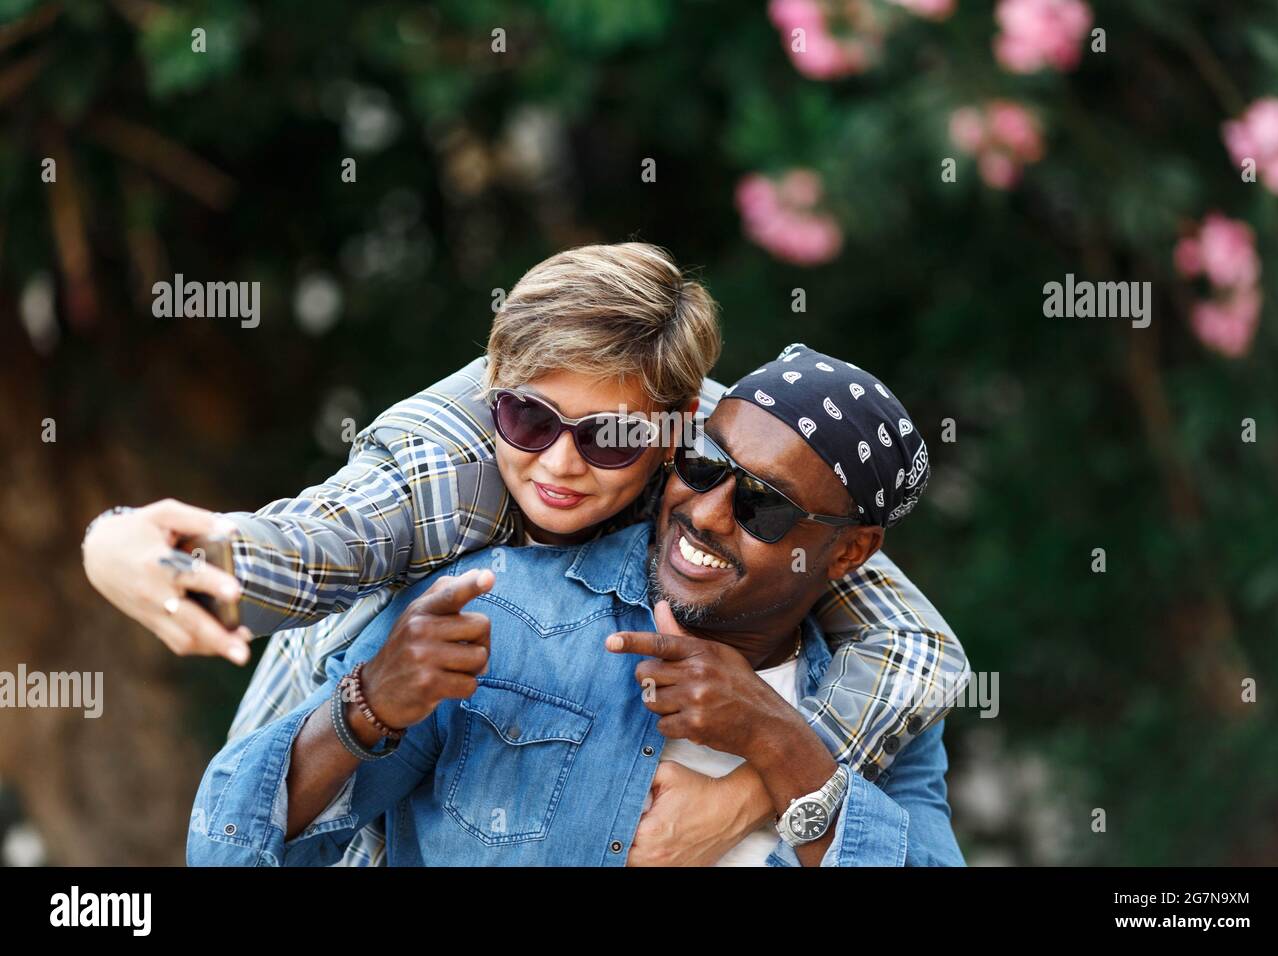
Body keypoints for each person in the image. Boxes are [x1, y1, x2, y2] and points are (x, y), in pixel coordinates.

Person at [84, 243, 968, 865]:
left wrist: (770, 762)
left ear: (670, 432)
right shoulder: (456, 513)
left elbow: (922, 647)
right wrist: (122, 544)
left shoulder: (759, 492)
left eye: (610, 439)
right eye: (527, 419)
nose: (557, 463)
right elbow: (288, 557)